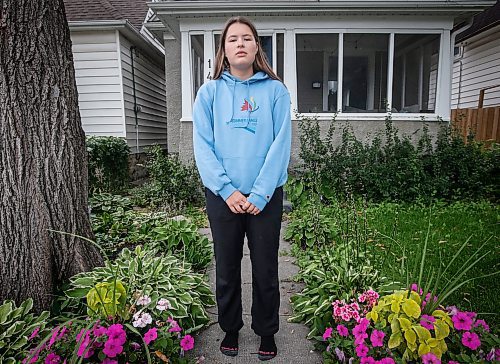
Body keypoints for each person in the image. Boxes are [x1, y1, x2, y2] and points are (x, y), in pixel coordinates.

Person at [192, 16, 291, 361]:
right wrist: (227, 190)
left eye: (246, 38)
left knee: (265, 268)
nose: (240, 43)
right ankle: (230, 328)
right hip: (223, 198)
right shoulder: (209, 93)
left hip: (266, 197)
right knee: (227, 265)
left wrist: (261, 193)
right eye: (232, 39)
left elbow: (281, 145)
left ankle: (266, 332)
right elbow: (203, 147)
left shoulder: (276, 92)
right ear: (223, 49)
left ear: (256, 47)